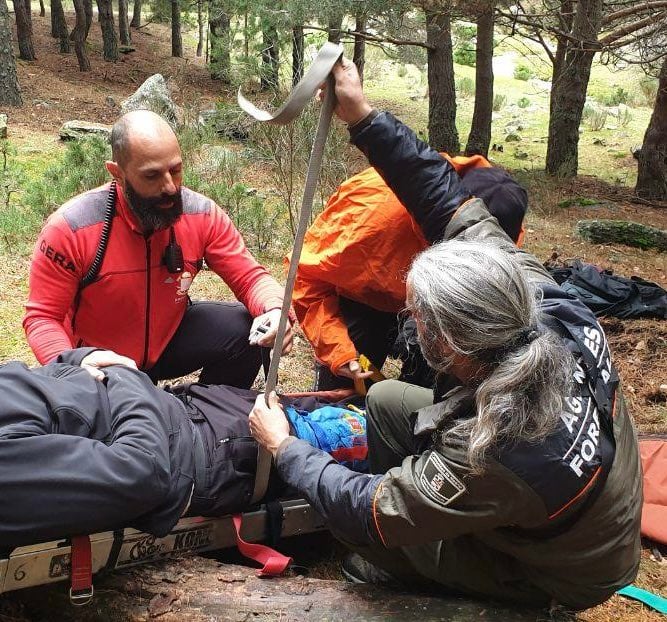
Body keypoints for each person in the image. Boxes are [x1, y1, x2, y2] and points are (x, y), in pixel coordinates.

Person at [248, 57, 642, 611]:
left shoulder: (496, 446)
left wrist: (285, 449)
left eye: (420, 320)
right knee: (385, 398)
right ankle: (441, 524)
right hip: (583, 505)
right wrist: (361, 116)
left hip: (567, 567)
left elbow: (371, 508)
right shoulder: (545, 302)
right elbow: (441, 195)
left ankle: (420, 577)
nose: (411, 323)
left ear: (452, 347)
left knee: (360, 533)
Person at [23, 110, 293, 387]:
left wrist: (274, 309)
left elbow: (250, 277)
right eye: (152, 176)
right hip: (102, 361)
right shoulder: (72, 228)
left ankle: (212, 415)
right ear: (118, 173)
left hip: (167, 342)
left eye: (175, 170)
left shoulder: (201, 215)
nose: (170, 187)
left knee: (244, 326)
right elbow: (43, 317)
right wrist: (74, 364)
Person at [0, 347, 366, 548]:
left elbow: (35, 387)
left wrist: (78, 359)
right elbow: (139, 472)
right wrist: (127, 382)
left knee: (348, 409)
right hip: (210, 451)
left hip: (187, 410)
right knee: (376, 434)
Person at [293, 105, 528, 393]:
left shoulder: (500, 215)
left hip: (432, 303)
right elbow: (308, 281)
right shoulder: (370, 219)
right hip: (363, 296)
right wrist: (341, 352)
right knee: (351, 382)